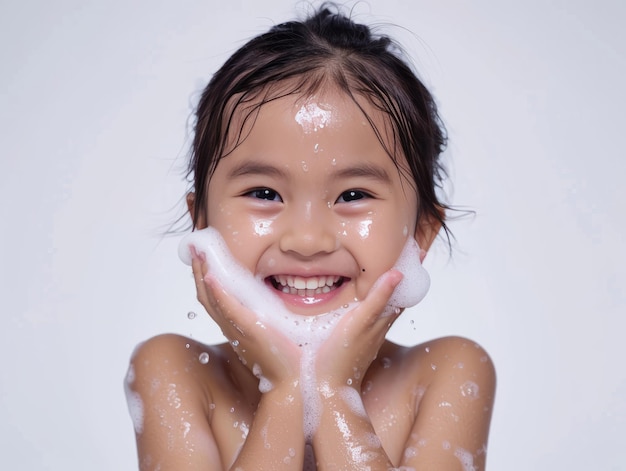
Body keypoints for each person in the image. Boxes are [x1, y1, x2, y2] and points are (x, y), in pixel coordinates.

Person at [125, 4, 496, 470]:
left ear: (421, 232)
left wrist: (331, 391)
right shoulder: (173, 372)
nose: (306, 239)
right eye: (264, 193)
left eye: (353, 195)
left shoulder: (446, 373)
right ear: (201, 223)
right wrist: (284, 392)